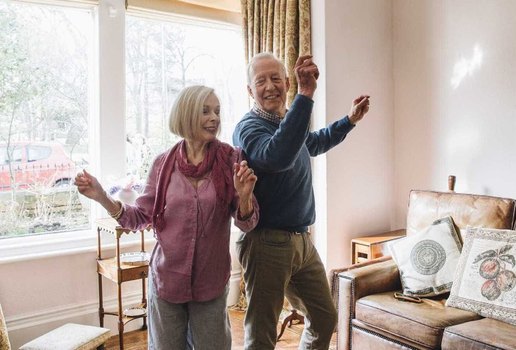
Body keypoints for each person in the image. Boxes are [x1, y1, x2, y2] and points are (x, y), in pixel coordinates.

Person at [75, 85, 259, 350]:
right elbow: (139, 217)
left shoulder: (231, 159)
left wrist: (244, 196)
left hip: (211, 281)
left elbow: (248, 223)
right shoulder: (163, 165)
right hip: (166, 281)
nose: (214, 118)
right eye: (205, 111)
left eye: (217, 111)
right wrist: (102, 195)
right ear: (186, 114)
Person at [232, 52, 370, 350]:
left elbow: (314, 142)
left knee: (324, 317)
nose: (269, 86)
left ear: (285, 82)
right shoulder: (248, 128)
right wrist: (306, 95)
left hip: (302, 241)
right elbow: (276, 156)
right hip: (266, 242)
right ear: (250, 91)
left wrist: (350, 120)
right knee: (261, 335)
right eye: (260, 81)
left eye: (275, 78)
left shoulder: (287, 124)